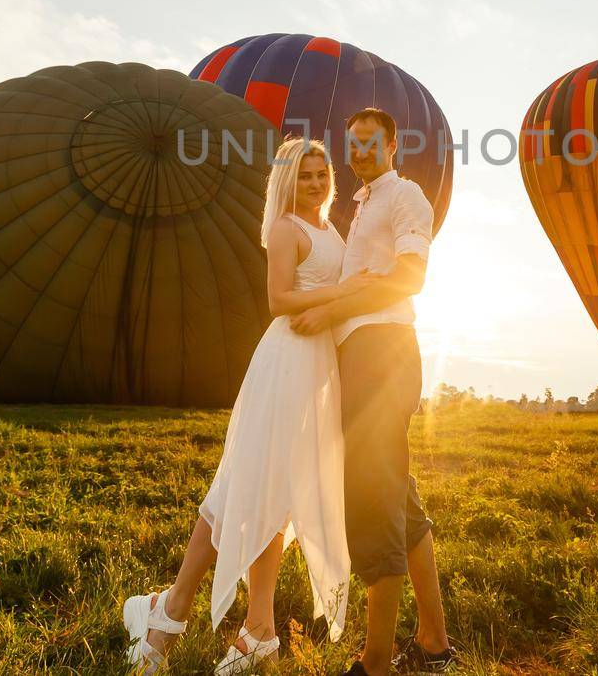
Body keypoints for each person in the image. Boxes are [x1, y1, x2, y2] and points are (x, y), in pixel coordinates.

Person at [122, 137, 380, 674]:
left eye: (322, 174)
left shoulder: (328, 227)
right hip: (286, 362)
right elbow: (279, 300)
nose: (316, 183)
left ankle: (238, 624)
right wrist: (340, 298)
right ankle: (173, 613)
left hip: (317, 368)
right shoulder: (286, 228)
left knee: (278, 493)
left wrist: (345, 301)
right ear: (288, 180)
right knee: (248, 484)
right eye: (305, 175)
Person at [290, 108, 457, 675]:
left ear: (392, 147)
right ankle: (433, 641)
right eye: (353, 145)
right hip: (362, 355)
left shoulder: (405, 196)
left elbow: (411, 278)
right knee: (398, 498)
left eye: (370, 144)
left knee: (374, 498)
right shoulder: (359, 208)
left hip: (382, 352)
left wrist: (334, 307)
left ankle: (376, 661)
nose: (359, 153)